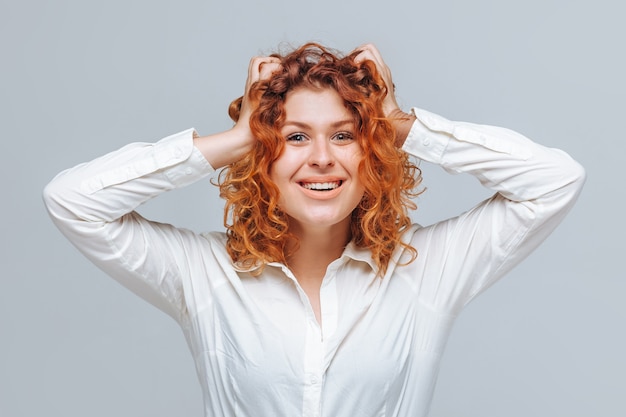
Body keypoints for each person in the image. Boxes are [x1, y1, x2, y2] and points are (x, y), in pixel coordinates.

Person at [43, 43, 585, 417]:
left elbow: (555, 181)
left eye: (345, 136)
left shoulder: (427, 270)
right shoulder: (204, 275)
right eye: (296, 138)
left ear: (371, 152)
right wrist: (236, 139)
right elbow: (73, 201)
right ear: (265, 156)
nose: (322, 158)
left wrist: (400, 123)